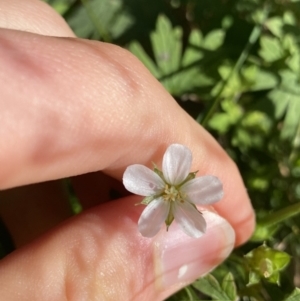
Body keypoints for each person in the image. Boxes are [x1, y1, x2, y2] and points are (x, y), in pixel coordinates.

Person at [0, 0, 255, 300]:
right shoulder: (165, 185)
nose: (171, 193)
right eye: (171, 193)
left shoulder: (180, 201)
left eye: (172, 194)